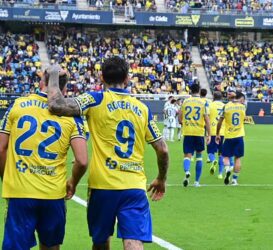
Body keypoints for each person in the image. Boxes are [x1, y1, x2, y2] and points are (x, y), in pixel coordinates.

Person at [46, 58, 169, 250]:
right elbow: (162, 149)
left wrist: (53, 73)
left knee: (101, 241)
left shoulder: (95, 99)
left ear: (101, 77)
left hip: (102, 186)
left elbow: (55, 105)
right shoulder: (143, 108)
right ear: (127, 79)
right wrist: (161, 178)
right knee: (134, 241)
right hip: (134, 186)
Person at [0, 70, 88, 250]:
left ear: (42, 82)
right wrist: (72, 182)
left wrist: (7, 178)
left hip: (20, 192)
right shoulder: (72, 116)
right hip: (53, 194)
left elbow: (1, 148)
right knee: (50, 246)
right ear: (64, 88)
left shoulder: (18, 105)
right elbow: (82, 160)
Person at [178, 83, 210, 187]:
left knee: (187, 155)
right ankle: (196, 182)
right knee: (199, 156)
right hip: (199, 132)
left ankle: (187, 172)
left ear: (190, 91)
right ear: (199, 90)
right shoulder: (203, 102)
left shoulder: (185, 102)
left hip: (188, 132)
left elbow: (179, 117)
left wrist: (184, 123)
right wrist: (209, 134)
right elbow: (207, 119)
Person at [216, 92, 246, 186]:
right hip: (239, 135)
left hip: (229, 136)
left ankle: (228, 168)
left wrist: (217, 133)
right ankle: (234, 180)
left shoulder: (226, 107)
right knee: (238, 158)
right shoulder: (243, 107)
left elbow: (220, 121)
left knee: (225, 156)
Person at [207, 91, 225, 179]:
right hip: (223, 132)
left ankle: (213, 161)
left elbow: (206, 119)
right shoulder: (224, 106)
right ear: (221, 97)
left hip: (212, 131)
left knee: (210, 152)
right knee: (221, 154)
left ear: (213, 97)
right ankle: (220, 174)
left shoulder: (210, 105)